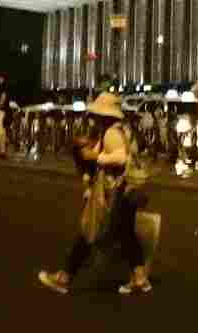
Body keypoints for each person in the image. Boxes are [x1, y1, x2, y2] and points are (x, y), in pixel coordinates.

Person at [38, 92, 152, 296]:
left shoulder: (110, 133)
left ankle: (64, 278)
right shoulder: (121, 130)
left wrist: (96, 157)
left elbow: (120, 158)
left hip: (115, 190)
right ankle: (140, 277)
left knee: (89, 230)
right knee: (126, 234)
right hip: (126, 189)